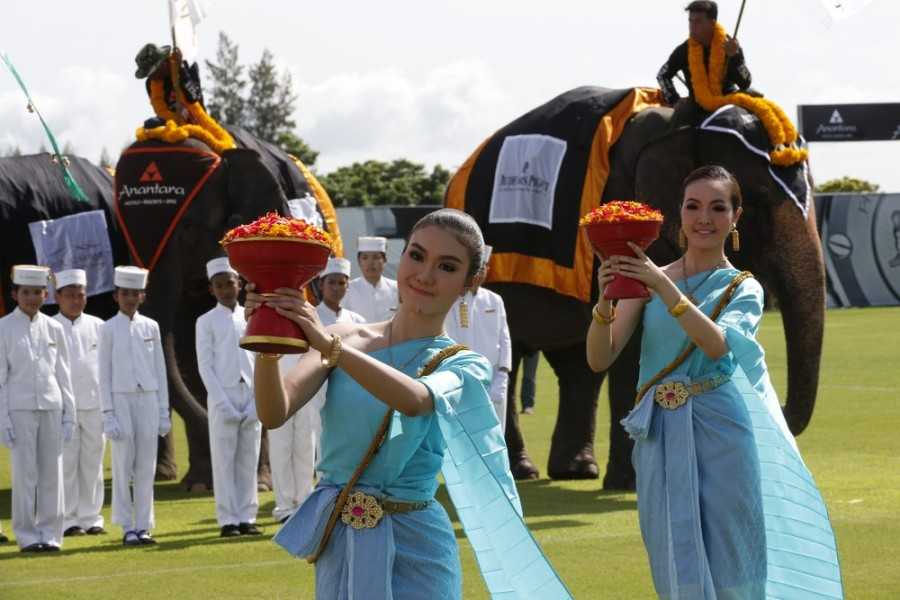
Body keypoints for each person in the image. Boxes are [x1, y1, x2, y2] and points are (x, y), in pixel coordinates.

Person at [248, 209, 571, 599]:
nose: (425, 275)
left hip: (416, 542)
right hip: (342, 538)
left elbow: (416, 400)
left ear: (471, 282)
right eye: (417, 256)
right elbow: (273, 412)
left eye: (446, 267)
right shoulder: (342, 337)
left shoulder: (463, 363)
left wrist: (328, 347)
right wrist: (266, 340)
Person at [586, 166, 843, 598]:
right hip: (659, 433)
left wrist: (663, 288)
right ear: (678, 215)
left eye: (717, 207)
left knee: (732, 557)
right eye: (693, 206)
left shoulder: (743, 287)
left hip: (723, 432)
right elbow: (600, 357)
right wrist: (604, 301)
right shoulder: (650, 279)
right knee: (671, 552)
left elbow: (718, 345)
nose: (704, 218)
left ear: (735, 217)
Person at [269, 257, 365, 523]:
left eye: (341, 283)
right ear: (321, 285)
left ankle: (319, 500)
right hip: (314, 388)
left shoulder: (356, 319)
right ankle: (286, 505)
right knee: (297, 446)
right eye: (331, 282)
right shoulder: (309, 315)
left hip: (346, 391)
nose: (336, 287)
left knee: (324, 446)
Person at [0, 265, 75, 553]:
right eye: (26, 292)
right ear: (15, 294)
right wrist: (3, 419)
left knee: (51, 474)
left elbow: (63, 374)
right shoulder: (4, 328)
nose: (32, 298)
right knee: (24, 474)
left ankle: (51, 534)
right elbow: (2, 379)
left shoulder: (55, 327)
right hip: (19, 409)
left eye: (37, 292)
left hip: (51, 406)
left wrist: (70, 415)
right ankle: (27, 535)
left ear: (46, 294)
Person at [100, 266, 170, 546]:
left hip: (148, 398)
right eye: (124, 293)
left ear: (142, 296)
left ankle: (143, 525)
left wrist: (164, 411)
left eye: (134, 293)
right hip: (121, 397)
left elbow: (160, 369)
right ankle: (126, 525)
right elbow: (103, 372)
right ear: (116, 296)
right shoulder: (108, 329)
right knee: (123, 463)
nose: (129, 298)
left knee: (146, 466)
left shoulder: (150, 326)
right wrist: (108, 413)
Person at [195, 257, 262, 538]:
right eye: (219, 286)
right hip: (222, 395)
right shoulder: (205, 321)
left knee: (249, 458)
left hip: (250, 393)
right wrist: (222, 402)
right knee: (224, 461)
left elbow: (260, 357)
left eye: (229, 283)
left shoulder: (251, 316)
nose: (225, 290)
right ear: (212, 289)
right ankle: (228, 519)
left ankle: (247, 515)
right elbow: (205, 365)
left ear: (240, 285)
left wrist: (257, 398)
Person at [53, 269, 107, 537]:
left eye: (80, 295)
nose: (75, 300)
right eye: (70, 295)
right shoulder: (50, 326)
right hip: (63, 408)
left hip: (95, 405)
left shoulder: (99, 326)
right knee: (67, 464)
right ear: (57, 297)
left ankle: (91, 517)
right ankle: (68, 519)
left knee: (93, 463)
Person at [444, 245, 512, 433]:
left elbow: (504, 338)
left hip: (493, 377)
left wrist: (503, 374)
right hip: (459, 376)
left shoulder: (494, 300)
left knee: (494, 433)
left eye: (484, 267)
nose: (480, 272)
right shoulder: (450, 299)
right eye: (477, 267)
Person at [657, 1, 752, 119]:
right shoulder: (683, 51)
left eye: (698, 22)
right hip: (697, 107)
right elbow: (662, 75)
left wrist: (734, 57)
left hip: (728, 105)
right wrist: (674, 100)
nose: (692, 26)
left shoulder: (730, 46)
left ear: (712, 23)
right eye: (690, 21)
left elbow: (746, 82)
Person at [342, 236, 399, 323]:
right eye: (365, 258)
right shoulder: (348, 289)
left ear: (385, 260)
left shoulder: (397, 288)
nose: (370, 263)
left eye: (376, 257)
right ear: (359, 261)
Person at [519, 350, 539, 415]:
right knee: (509, 375)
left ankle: (528, 406)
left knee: (529, 375)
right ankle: (507, 406)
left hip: (532, 346)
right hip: (513, 344)